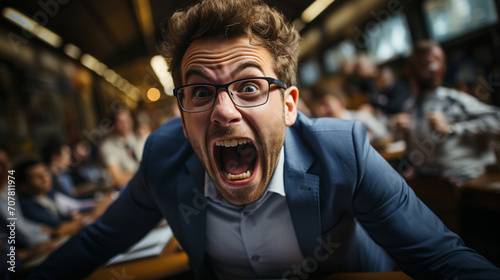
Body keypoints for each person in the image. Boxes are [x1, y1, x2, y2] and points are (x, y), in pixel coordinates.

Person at [29, 1, 500, 279]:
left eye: (249, 86)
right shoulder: (163, 157)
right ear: (181, 111)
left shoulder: (344, 152)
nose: (223, 111)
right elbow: (98, 242)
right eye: (199, 91)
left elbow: (442, 257)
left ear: (289, 104)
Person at [396, 40, 500, 181]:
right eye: (425, 64)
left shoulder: (453, 100)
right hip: (431, 183)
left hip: (466, 181)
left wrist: (452, 128)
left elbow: (496, 119)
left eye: (436, 61)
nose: (432, 68)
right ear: (412, 70)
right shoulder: (409, 107)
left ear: (443, 66)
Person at [17, 159, 113, 237]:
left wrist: (78, 218)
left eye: (45, 172)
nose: (45, 178)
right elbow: (59, 228)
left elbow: (75, 204)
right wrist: (94, 213)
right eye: (37, 177)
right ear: (24, 186)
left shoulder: (51, 193)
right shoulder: (27, 206)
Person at [310, 82, 392, 145]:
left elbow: (385, 135)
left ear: (342, 103)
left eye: (326, 105)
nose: (322, 110)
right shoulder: (324, 130)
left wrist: (365, 137)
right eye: (319, 106)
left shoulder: (360, 118)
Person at [99, 109, 145, 188]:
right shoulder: (108, 146)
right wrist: (145, 174)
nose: (125, 125)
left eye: (127, 120)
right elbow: (118, 179)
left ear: (132, 121)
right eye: (120, 122)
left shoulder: (141, 138)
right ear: (114, 124)